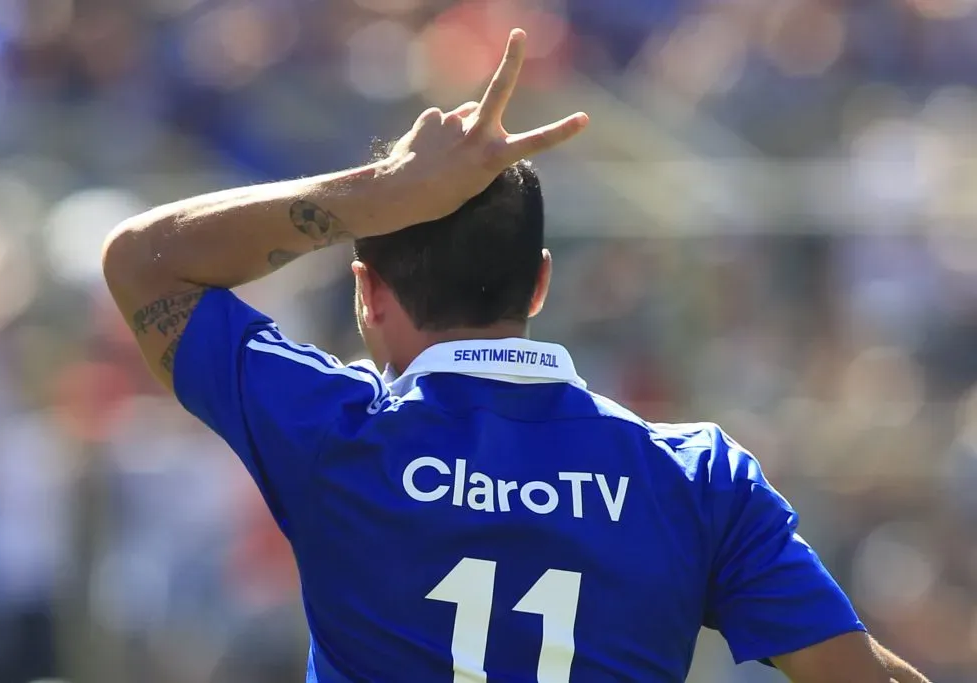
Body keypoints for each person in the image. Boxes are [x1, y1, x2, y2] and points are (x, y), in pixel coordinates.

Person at [102, 29, 930, 683]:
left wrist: (374, 197)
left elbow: (142, 262)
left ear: (367, 291)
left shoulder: (332, 435)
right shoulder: (698, 479)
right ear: (539, 284)